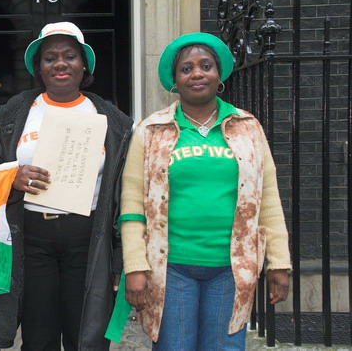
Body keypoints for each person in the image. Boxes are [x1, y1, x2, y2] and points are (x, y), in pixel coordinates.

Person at [119, 32, 291, 349]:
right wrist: (135, 266)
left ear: (218, 74)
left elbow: (268, 201)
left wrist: (279, 263)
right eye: (186, 68)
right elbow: (131, 206)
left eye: (205, 65)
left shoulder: (248, 127)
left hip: (231, 269)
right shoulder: (151, 130)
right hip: (171, 270)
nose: (197, 73)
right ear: (175, 81)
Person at [0, 22, 133, 350]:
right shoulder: (14, 113)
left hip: (88, 238)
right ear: (39, 67)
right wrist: (12, 179)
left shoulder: (113, 120)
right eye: (50, 58)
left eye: (70, 56)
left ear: (84, 65)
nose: (60, 63)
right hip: (32, 239)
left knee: (86, 337)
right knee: (38, 337)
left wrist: (120, 255)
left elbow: (125, 196)